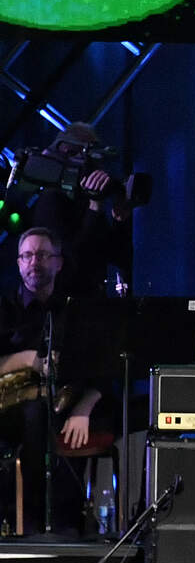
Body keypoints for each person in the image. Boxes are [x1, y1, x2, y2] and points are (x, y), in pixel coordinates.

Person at [0, 227, 105, 536]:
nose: (34, 262)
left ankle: (68, 523)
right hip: (13, 409)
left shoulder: (76, 310)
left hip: (67, 404)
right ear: (18, 263)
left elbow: (104, 367)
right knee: (36, 416)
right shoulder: (5, 307)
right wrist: (28, 359)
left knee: (48, 417)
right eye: (27, 256)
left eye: (43, 255)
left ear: (59, 263)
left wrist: (83, 409)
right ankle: (34, 523)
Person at [26, 123, 134, 298]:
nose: (96, 167)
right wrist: (94, 208)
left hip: (93, 302)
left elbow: (120, 258)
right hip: (65, 304)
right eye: (89, 158)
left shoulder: (86, 202)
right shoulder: (51, 200)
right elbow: (74, 261)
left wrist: (120, 221)